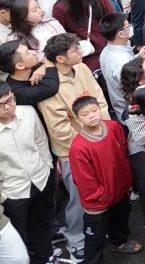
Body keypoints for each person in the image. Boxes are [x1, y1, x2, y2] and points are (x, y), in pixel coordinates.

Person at [40, 32, 110, 260]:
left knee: (101, 190)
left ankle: (96, 232)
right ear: (60, 58)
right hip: (74, 153)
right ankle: (76, 240)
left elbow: (98, 97)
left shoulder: (81, 69)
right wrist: (88, 143)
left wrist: (105, 130)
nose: (82, 52)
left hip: (99, 138)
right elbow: (59, 129)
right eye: (76, 50)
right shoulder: (50, 85)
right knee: (79, 199)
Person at [68, 94, 140, 264]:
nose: (92, 115)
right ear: (77, 119)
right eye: (85, 114)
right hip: (99, 199)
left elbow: (123, 150)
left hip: (119, 187)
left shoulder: (113, 126)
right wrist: (100, 195)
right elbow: (84, 179)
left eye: (94, 110)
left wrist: (126, 180)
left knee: (122, 215)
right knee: (95, 235)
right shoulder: (78, 147)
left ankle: (119, 242)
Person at [0, 81, 57, 264]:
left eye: (11, 99)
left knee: (40, 225)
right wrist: (3, 196)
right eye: (2, 104)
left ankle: (46, 257)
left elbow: (41, 141)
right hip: (13, 191)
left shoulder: (28, 112)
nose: (9, 106)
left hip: (40, 178)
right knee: (17, 234)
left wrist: (48, 167)